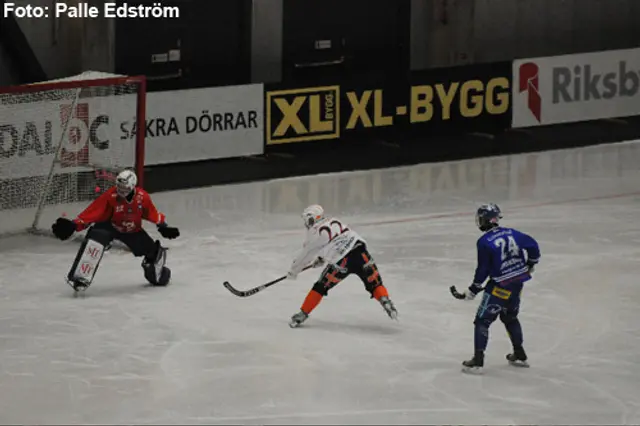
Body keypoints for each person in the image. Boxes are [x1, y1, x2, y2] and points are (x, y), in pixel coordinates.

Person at [51, 169, 180, 291]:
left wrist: (163, 226)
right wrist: (74, 225)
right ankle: (80, 277)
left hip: (132, 230)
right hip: (109, 226)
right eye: (120, 188)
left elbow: (151, 213)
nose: (121, 192)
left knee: (154, 252)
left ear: (133, 187)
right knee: (94, 240)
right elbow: (94, 211)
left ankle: (157, 275)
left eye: (125, 189)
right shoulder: (110, 196)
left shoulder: (143, 198)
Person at [456, 203, 540, 373]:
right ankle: (520, 354)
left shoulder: (484, 241)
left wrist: (473, 289)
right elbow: (533, 246)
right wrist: (531, 264)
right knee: (510, 318)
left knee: (482, 321)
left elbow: (483, 270)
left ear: (486, 220)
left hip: (499, 287)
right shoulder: (513, 233)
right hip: (517, 283)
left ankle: (478, 361)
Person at [287, 204, 398, 328]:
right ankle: (385, 301)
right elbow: (338, 239)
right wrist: (322, 258)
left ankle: (303, 314)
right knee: (374, 283)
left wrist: (293, 271)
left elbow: (305, 255)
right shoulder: (334, 220)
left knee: (320, 287)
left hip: (342, 261)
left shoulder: (314, 232)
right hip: (360, 253)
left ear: (311, 219)